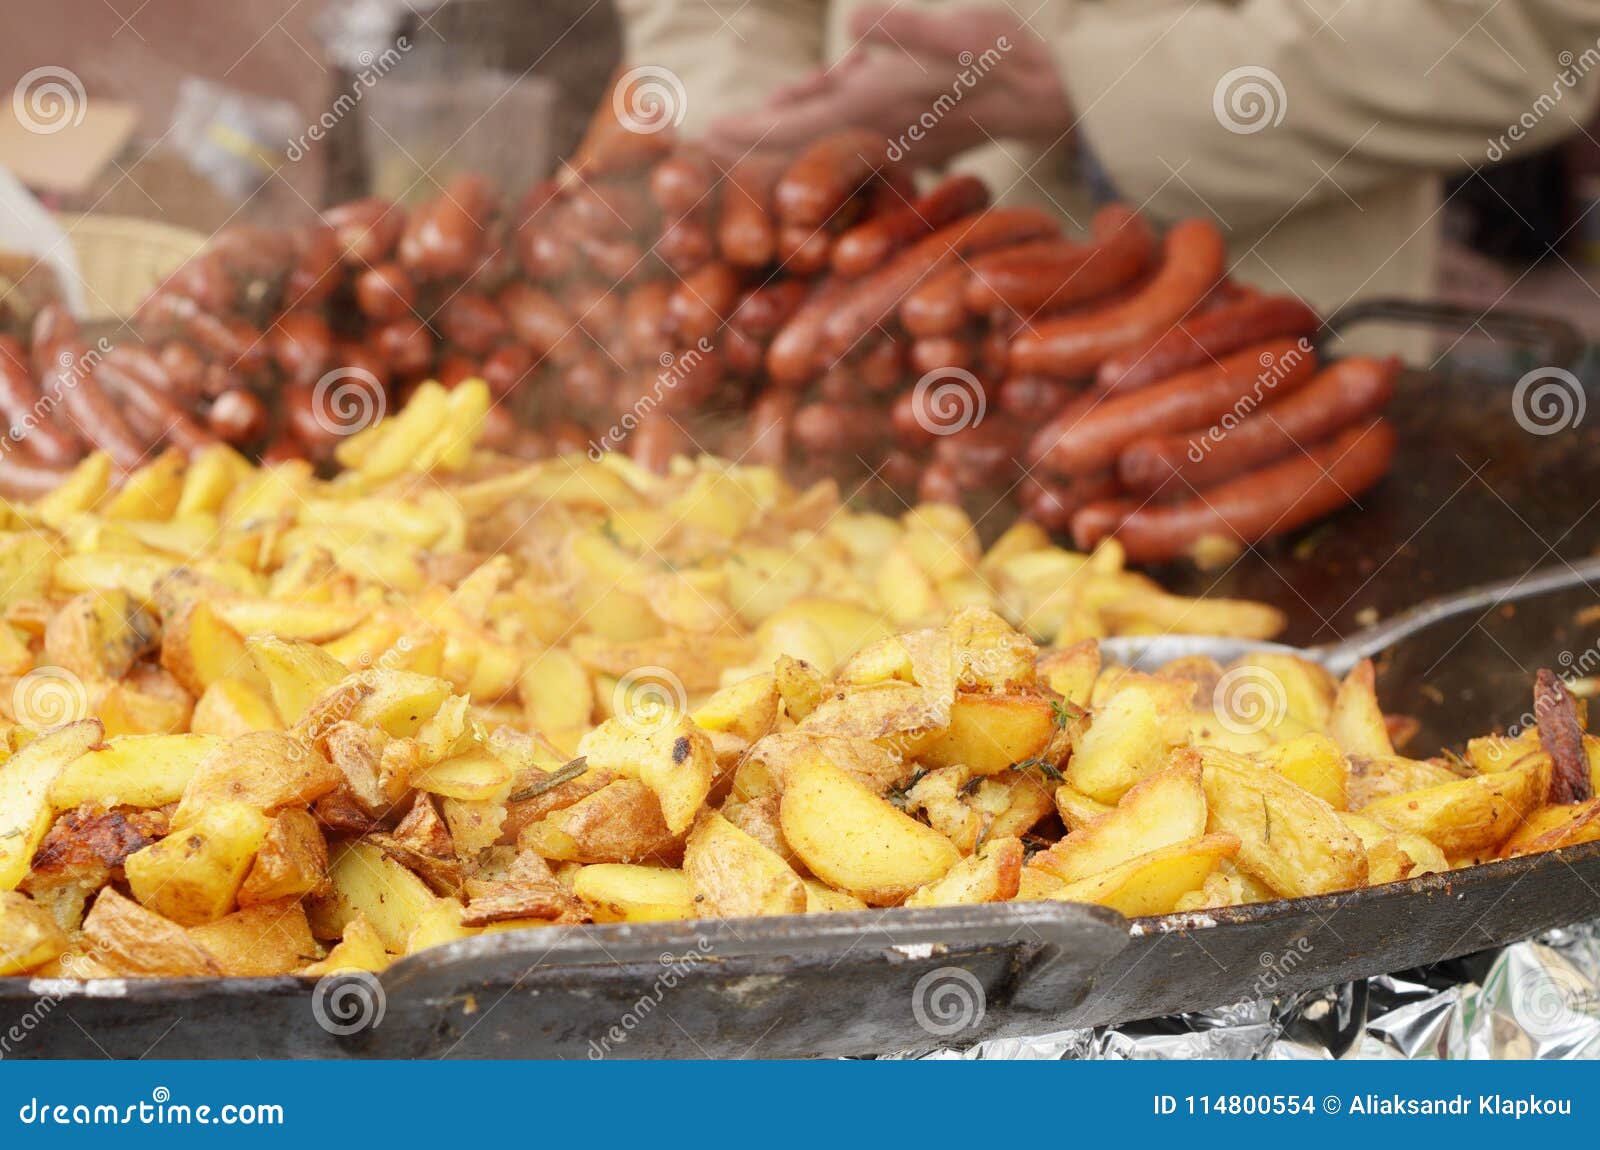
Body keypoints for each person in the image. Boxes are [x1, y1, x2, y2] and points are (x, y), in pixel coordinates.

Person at [615, 1, 1600, 313]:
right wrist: (758, 128)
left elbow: (1528, 28)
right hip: (854, 333)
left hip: (1249, 379)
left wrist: (1095, 91)